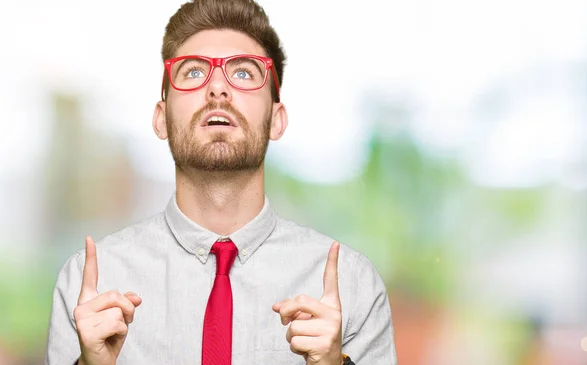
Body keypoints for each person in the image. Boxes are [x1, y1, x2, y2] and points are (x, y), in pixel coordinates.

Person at [44, 0, 398, 364]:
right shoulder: (90, 286)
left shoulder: (352, 286)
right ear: (161, 119)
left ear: (277, 119)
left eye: (244, 73)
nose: (218, 90)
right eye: (193, 72)